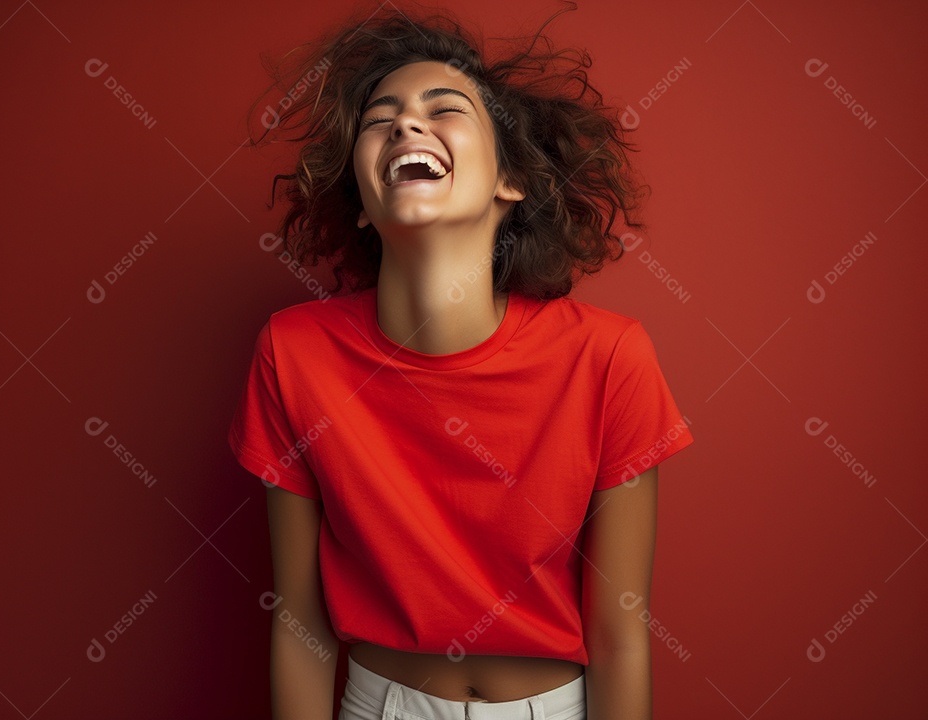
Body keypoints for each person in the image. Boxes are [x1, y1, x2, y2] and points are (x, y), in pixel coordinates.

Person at [229, 3, 694, 718]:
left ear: (512, 182)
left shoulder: (609, 358)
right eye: (380, 118)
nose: (405, 125)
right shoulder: (292, 353)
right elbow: (300, 624)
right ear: (360, 202)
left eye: (443, 109)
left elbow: (622, 635)